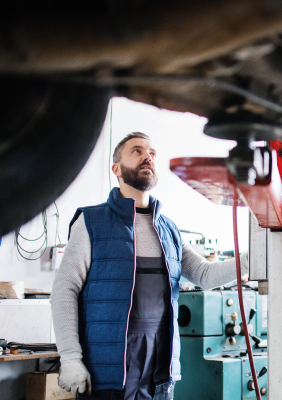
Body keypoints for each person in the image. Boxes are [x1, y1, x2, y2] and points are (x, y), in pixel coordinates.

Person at [51, 132, 248, 400]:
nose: (148, 156)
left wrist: (253, 259)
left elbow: (204, 275)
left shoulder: (169, 230)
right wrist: (71, 357)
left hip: (160, 370)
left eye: (152, 153)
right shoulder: (91, 222)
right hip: (108, 371)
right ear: (116, 169)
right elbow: (64, 290)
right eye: (137, 150)